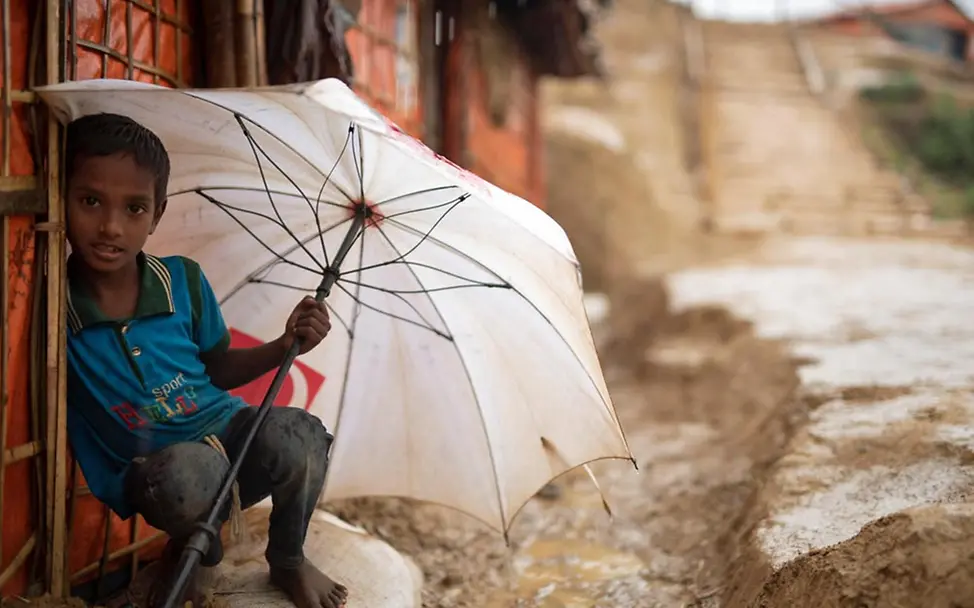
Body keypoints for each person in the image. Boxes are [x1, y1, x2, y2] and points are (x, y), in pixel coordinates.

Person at [64, 112, 347, 608]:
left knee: (300, 435)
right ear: (60, 197)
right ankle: (197, 554)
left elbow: (216, 368)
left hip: (225, 432)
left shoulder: (182, 282)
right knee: (183, 478)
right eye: (90, 201)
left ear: (156, 215)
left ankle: (288, 559)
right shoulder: (54, 309)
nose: (110, 226)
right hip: (156, 469)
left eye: (134, 209)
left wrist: (285, 346)